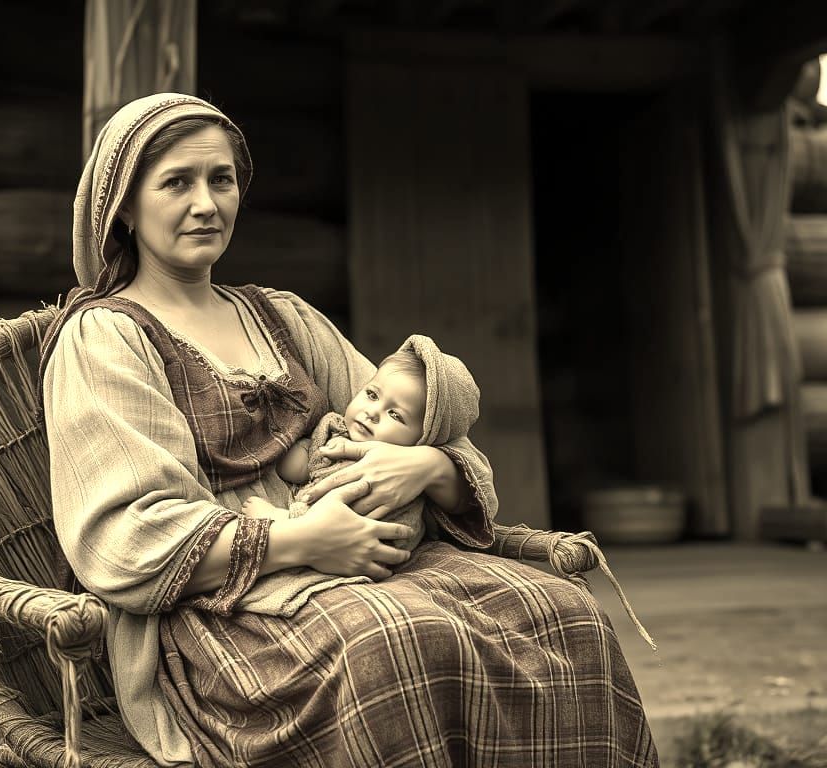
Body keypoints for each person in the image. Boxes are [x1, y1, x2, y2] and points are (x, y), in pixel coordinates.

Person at [40, 93, 659, 767]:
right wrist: (307, 538)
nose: (206, 204)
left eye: (221, 179)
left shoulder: (282, 318)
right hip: (222, 615)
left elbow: (425, 421)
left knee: (565, 615)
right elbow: (126, 534)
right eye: (177, 183)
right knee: (396, 643)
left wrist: (427, 469)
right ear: (124, 207)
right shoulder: (104, 337)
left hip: (369, 566)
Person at [242, 334, 480, 554]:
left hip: (366, 536)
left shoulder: (401, 472)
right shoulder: (335, 428)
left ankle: (284, 522)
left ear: (423, 438)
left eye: (395, 415)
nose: (372, 412)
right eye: (372, 395)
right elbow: (302, 466)